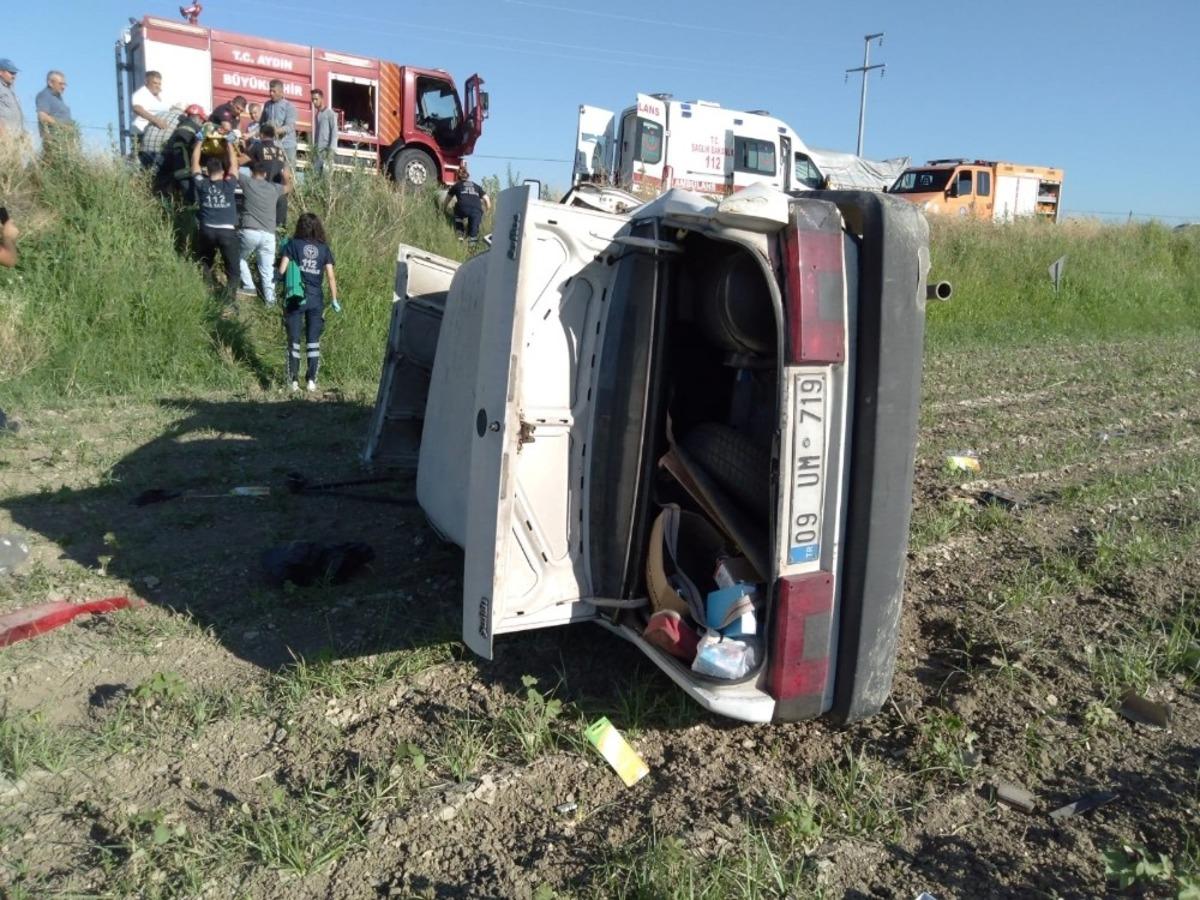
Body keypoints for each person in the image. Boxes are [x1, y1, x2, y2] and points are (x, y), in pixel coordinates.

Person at [276, 213, 339, 392]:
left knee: (294, 340)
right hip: (315, 299)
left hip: (295, 298)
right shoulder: (324, 248)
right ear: (317, 227)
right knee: (313, 341)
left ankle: (293, 381)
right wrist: (334, 299)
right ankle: (311, 381)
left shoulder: (292, 245)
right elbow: (331, 277)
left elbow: (282, 270)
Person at [190, 135, 240, 301]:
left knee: (205, 261)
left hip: (207, 230)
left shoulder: (201, 183)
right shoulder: (229, 184)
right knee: (233, 270)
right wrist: (230, 143)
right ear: (223, 171)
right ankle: (229, 300)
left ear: (207, 171)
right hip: (227, 232)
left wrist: (199, 141)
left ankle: (208, 287)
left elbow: (194, 164)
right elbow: (234, 164)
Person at [237, 159, 292, 305]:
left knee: (237, 257)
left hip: (250, 231)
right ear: (266, 174)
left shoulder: (247, 182)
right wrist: (286, 174)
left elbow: (232, 171)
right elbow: (288, 187)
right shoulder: (274, 188)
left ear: (251, 172)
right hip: (269, 235)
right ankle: (270, 303)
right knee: (267, 271)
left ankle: (249, 287)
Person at [239, 124, 288, 231]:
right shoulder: (280, 151)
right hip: (279, 193)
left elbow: (240, 161)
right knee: (279, 229)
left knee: (261, 228)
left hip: (263, 193)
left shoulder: (257, 147)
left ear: (261, 134)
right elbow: (286, 173)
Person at [155, 104, 205, 201]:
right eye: (202, 120)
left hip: (175, 169)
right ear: (199, 118)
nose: (202, 123)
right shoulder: (197, 130)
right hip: (186, 171)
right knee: (192, 201)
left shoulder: (179, 127)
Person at [131, 71, 176, 168]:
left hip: (157, 135)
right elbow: (137, 108)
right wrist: (156, 120)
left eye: (159, 83)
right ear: (147, 82)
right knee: (143, 163)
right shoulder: (141, 94)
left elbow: (169, 108)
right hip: (141, 133)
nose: (157, 86)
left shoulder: (162, 95)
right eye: (154, 83)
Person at [442, 165, 491, 245]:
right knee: (473, 230)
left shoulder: (456, 186)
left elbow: (447, 200)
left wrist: (443, 209)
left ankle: (460, 234)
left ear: (457, 177)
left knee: (457, 214)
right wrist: (487, 210)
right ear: (468, 177)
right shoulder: (476, 186)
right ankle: (472, 245)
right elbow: (487, 200)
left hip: (462, 208)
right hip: (477, 209)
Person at [260, 80, 297, 165]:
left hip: (287, 145)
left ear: (281, 92)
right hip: (272, 145)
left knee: (288, 175)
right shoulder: (267, 105)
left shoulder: (289, 106)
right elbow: (262, 123)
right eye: (270, 91)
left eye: (274, 91)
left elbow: (290, 126)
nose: (271, 93)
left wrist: (275, 130)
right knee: (273, 172)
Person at [35, 70, 74, 148]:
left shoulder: (58, 97)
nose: (63, 87)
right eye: (60, 84)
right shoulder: (44, 96)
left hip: (64, 140)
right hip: (54, 140)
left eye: (64, 84)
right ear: (50, 83)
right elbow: (42, 116)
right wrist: (62, 126)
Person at [310, 89, 337, 176]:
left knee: (326, 180)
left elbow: (334, 133)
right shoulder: (317, 115)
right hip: (318, 154)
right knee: (316, 180)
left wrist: (331, 151)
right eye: (312, 99)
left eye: (316, 99)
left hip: (326, 153)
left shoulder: (330, 113)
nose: (314, 102)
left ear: (322, 99)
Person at [0, 59, 23, 137]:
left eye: (15, 73)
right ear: (1, 72)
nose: (14, 76)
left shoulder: (10, 89)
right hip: (4, 136)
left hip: (15, 136)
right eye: (11, 73)